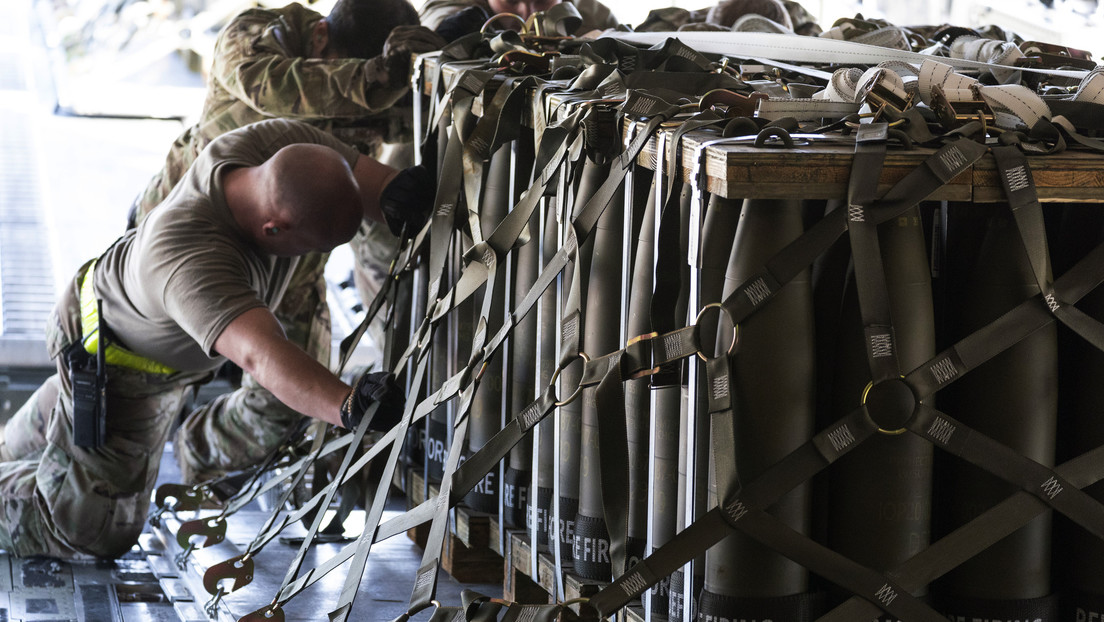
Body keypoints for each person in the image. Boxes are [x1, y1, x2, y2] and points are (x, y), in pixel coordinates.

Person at [0, 118, 431, 560]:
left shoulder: (276, 145)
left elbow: (359, 176)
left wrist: (396, 191)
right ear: (274, 229)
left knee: (66, 450)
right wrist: (349, 404)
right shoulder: (191, 259)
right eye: (312, 248)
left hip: (132, 327)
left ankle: (32, 438)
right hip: (114, 365)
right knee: (90, 529)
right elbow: (262, 357)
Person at [129, 0, 446, 485]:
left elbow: (418, 116)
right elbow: (281, 92)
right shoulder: (255, 38)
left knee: (286, 403)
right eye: (347, 67)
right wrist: (376, 77)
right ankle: (149, 443)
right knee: (171, 370)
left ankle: (193, 456)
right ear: (320, 36)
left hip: (290, 262)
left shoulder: (367, 86)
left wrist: (443, 60)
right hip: (192, 244)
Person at [420, 0, 619, 40]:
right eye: (511, 1)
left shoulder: (595, 16)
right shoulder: (458, 6)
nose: (526, 14)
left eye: (541, 0)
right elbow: (435, 18)